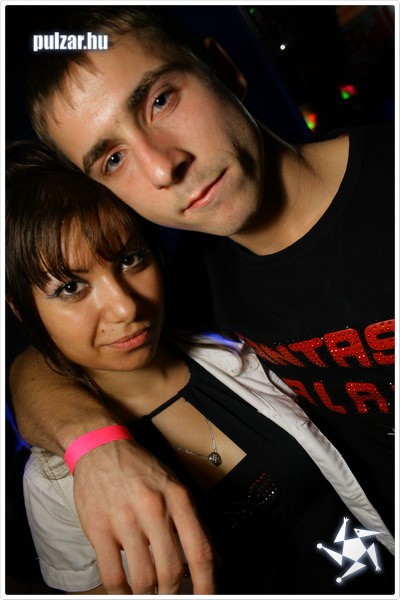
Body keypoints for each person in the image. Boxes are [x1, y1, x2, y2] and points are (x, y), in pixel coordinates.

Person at [8, 6, 394, 595]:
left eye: (161, 100)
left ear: (224, 68)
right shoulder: (188, 284)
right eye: (113, 159)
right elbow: (40, 362)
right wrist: (94, 444)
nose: (163, 166)